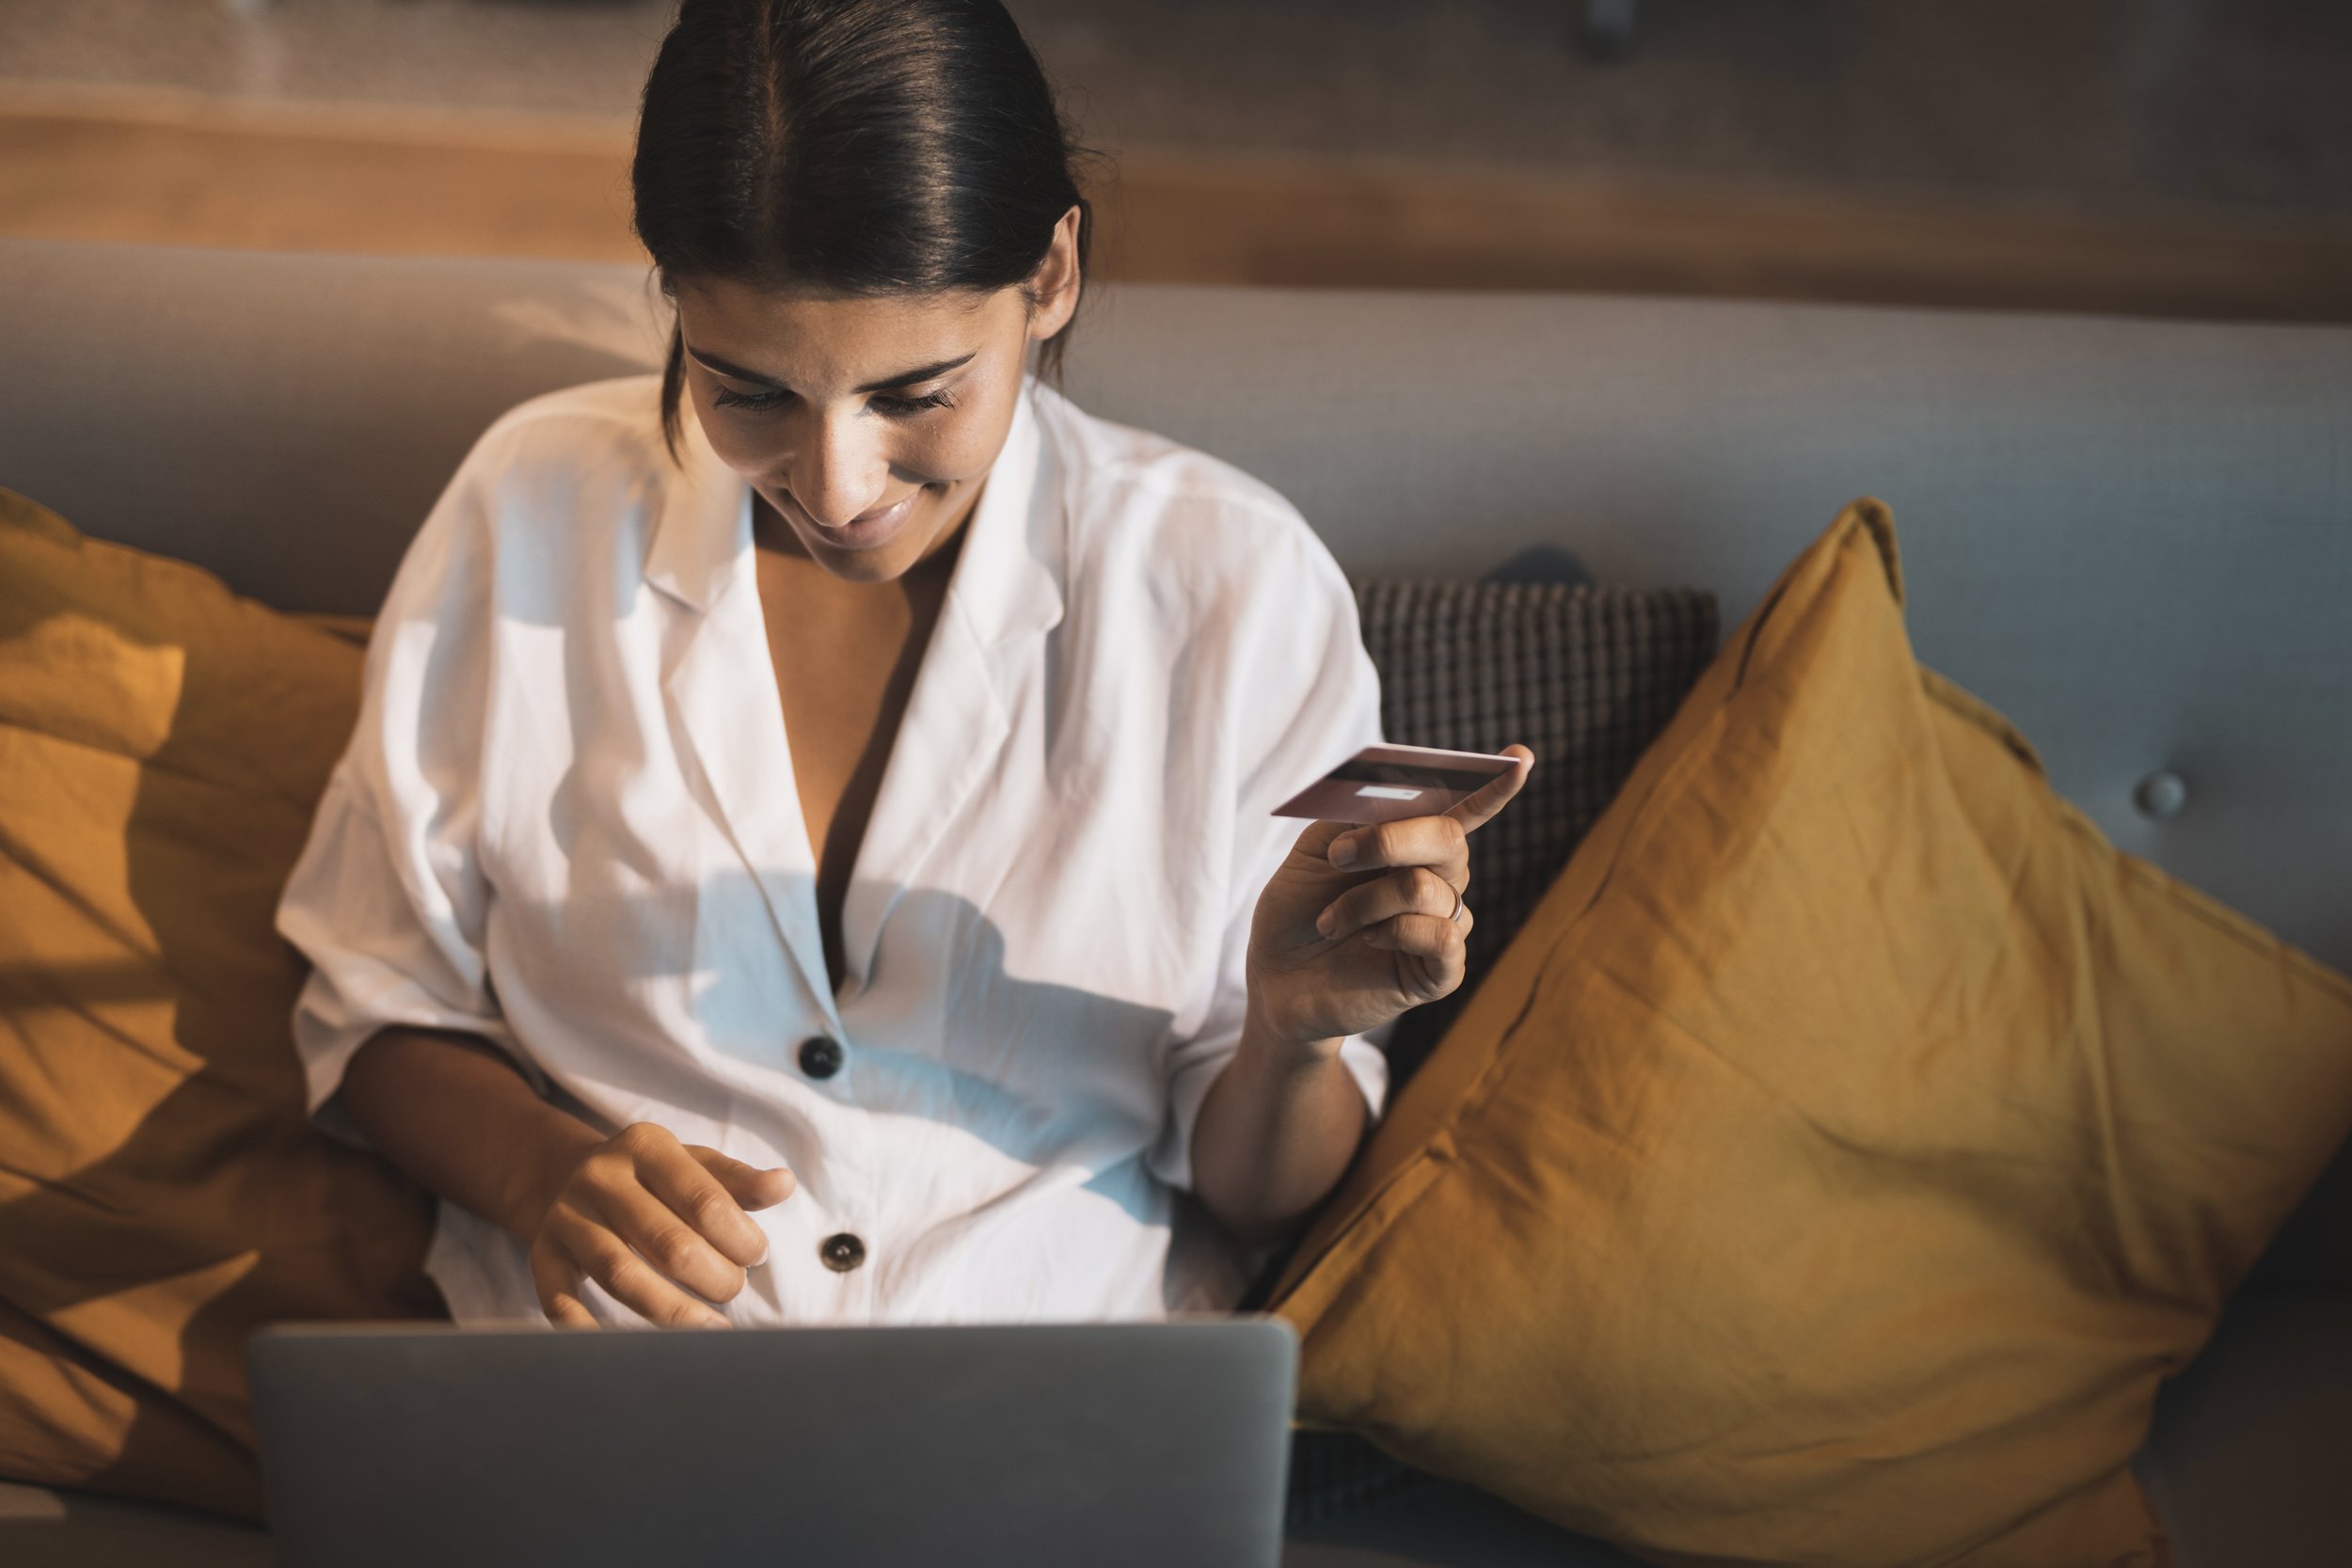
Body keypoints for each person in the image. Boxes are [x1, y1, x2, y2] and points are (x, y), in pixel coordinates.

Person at [277, 0, 1530, 1330]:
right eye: (749, 390)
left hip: (1043, 1446)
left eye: (916, 393)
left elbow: (1260, 1202)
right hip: (614, 1424)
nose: (835, 487)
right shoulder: (531, 510)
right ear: (675, 302)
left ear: (1051, 275)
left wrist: (1291, 1031)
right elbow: (369, 1000)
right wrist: (542, 1174)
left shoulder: (1234, 589)